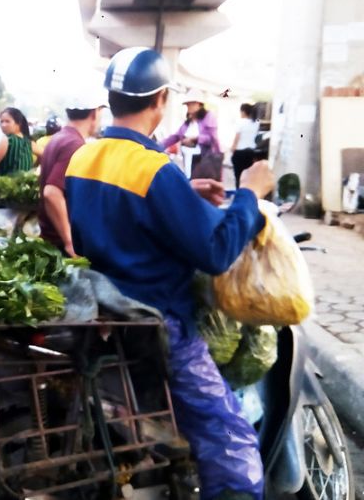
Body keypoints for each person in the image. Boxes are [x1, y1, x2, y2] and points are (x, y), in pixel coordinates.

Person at [65, 47, 274, 500]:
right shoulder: (155, 170)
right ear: (160, 100)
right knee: (231, 439)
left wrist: (185, 189)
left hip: (107, 315)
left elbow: (117, 213)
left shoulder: (85, 157)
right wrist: (250, 197)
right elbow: (216, 253)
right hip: (159, 325)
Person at [38, 97, 99, 257]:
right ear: (94, 114)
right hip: (59, 245)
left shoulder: (59, 137)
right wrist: (70, 242)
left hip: (50, 241)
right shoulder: (73, 144)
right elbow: (51, 192)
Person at [160, 89, 222, 179]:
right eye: (187, 104)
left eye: (190, 104)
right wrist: (158, 145)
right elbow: (176, 136)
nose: (188, 107)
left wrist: (196, 139)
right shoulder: (188, 121)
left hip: (203, 160)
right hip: (187, 159)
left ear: (198, 104)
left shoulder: (209, 117)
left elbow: (212, 139)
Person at [0, 107, 37, 176]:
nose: (3, 125)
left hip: (7, 185)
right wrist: (33, 168)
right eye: (1, 121)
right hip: (25, 184)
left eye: (7, 121)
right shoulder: (29, 142)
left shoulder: (7, 140)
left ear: (18, 123)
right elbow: (45, 155)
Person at [230, 103, 260, 189]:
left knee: (238, 176)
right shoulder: (256, 122)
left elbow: (237, 138)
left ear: (243, 112)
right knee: (248, 176)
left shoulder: (240, 122)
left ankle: (239, 193)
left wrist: (232, 149)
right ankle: (247, 193)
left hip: (240, 152)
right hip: (251, 152)